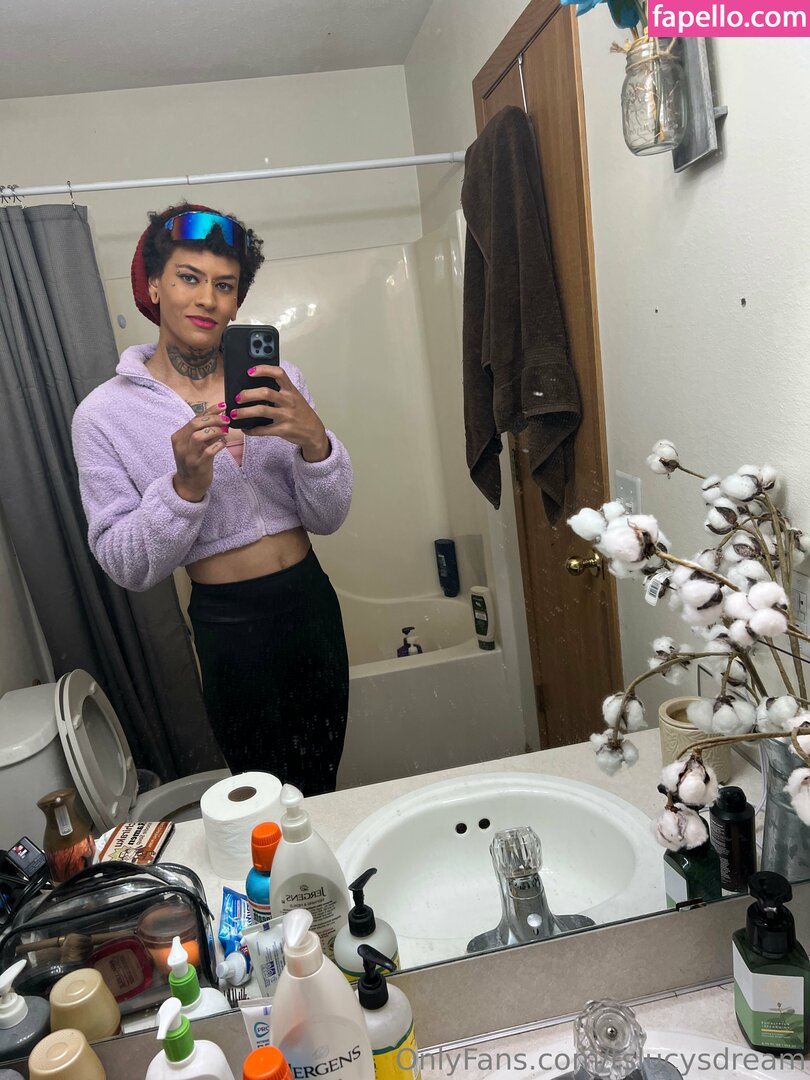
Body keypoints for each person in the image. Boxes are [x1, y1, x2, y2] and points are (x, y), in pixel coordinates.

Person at [72, 202, 353, 795]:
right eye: (189, 278)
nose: (207, 299)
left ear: (236, 302)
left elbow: (329, 518)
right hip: (229, 625)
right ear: (153, 285)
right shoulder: (104, 415)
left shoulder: (278, 381)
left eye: (224, 286)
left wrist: (316, 443)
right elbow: (124, 564)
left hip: (310, 605)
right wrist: (184, 490)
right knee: (264, 794)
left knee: (324, 784)